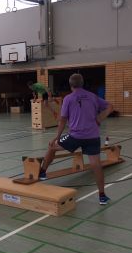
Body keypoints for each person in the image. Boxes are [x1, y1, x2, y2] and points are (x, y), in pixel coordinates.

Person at [39, 73, 114, 205]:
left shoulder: (68, 98)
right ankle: (102, 196)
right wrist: (100, 118)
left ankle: (42, 172)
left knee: (52, 147)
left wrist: (56, 137)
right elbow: (110, 106)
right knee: (96, 165)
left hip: (75, 137)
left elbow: (62, 120)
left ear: (70, 85)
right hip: (92, 137)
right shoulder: (93, 96)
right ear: (82, 83)